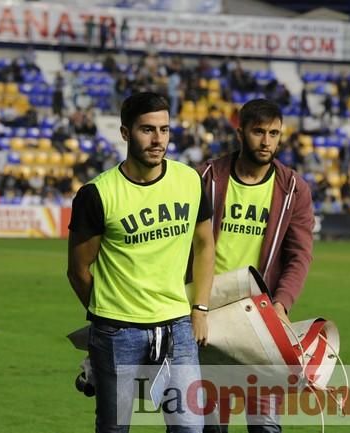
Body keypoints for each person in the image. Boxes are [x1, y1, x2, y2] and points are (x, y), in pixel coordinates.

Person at [67, 92, 215, 433]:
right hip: (118, 331)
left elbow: (206, 246)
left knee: (190, 427)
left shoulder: (190, 180)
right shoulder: (97, 194)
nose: (158, 139)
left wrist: (200, 308)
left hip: (178, 327)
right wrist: (107, 316)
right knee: (115, 428)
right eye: (147, 130)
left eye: (164, 130)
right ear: (125, 133)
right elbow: (77, 269)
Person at [198, 99, 314, 433]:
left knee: (264, 425)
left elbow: (299, 255)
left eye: (274, 133)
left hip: (261, 320)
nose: (266, 141)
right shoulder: (205, 179)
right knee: (208, 424)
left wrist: (282, 303)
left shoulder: (293, 190)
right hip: (208, 314)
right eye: (258, 132)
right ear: (240, 133)